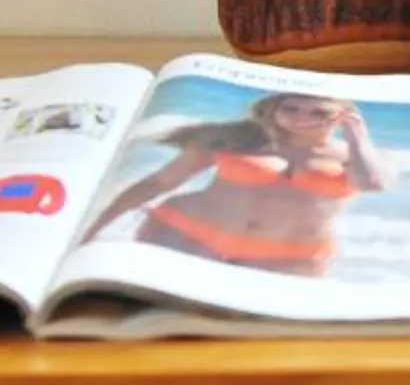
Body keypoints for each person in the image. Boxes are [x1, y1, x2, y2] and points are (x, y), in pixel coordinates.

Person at [85, 92, 392, 277]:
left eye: (319, 112)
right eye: (292, 108)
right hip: (189, 234)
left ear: (342, 116)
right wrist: (94, 227)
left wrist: (358, 136)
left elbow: (373, 184)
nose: (302, 117)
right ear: (274, 109)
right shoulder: (236, 140)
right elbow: (159, 183)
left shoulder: (353, 158)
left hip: (291, 258)